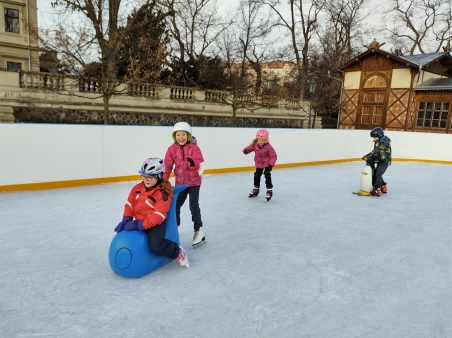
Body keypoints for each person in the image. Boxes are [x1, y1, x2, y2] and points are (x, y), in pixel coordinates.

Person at [114, 157, 189, 268]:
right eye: (143, 176)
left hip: (156, 223)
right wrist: (127, 219)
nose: (146, 180)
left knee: (156, 245)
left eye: (150, 177)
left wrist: (137, 225)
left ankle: (177, 251)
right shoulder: (137, 188)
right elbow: (129, 204)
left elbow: (159, 216)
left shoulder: (162, 193)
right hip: (140, 220)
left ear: (159, 176)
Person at [163, 122, 206, 247]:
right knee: (175, 205)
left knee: (193, 206)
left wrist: (193, 164)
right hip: (180, 183)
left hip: (193, 183)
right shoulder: (172, 149)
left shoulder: (194, 148)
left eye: (183, 134)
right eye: (178, 135)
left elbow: (200, 162)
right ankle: (174, 228)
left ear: (188, 135)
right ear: (174, 136)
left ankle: (198, 230)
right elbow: (167, 164)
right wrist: (165, 179)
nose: (180, 137)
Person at [242, 128, 277, 201]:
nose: (260, 142)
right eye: (259, 140)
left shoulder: (269, 147)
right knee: (257, 175)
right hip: (259, 163)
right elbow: (250, 148)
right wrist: (246, 150)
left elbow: (273, 156)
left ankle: (269, 190)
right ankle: (256, 188)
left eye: (262, 140)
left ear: (266, 140)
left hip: (267, 163)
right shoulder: (255, 145)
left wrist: (271, 165)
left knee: (267, 175)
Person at [362, 126, 391, 196]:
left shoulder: (385, 143)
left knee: (378, 174)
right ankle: (384, 186)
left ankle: (377, 189)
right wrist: (367, 156)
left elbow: (385, 153)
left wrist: (378, 159)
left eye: (375, 137)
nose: (374, 139)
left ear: (379, 135)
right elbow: (374, 151)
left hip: (385, 162)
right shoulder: (377, 142)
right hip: (379, 161)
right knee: (377, 174)